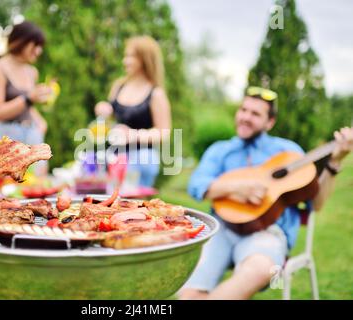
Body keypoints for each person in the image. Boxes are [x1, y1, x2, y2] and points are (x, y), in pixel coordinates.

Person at [179, 87, 353, 300]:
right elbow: (196, 186)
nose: (245, 117)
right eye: (243, 110)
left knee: (262, 271)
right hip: (220, 230)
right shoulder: (220, 150)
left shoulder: (288, 153)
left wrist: (335, 161)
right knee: (188, 293)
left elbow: (316, 204)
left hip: (268, 234)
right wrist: (235, 188)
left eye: (255, 114)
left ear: (270, 122)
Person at [94, 35, 172, 187]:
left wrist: (133, 135)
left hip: (141, 156)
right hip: (114, 154)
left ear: (145, 59)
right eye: (126, 56)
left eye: (130, 56)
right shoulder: (118, 86)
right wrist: (104, 109)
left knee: (127, 203)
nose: (125, 61)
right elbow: (111, 122)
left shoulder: (156, 93)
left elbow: (164, 132)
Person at [0, 21, 51, 175]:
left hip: (30, 135)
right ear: (21, 42)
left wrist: (40, 121)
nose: (38, 51)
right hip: (6, 138)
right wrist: (28, 98)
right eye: (35, 45)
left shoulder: (31, 71)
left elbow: (28, 107)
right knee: (4, 187)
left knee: (35, 184)